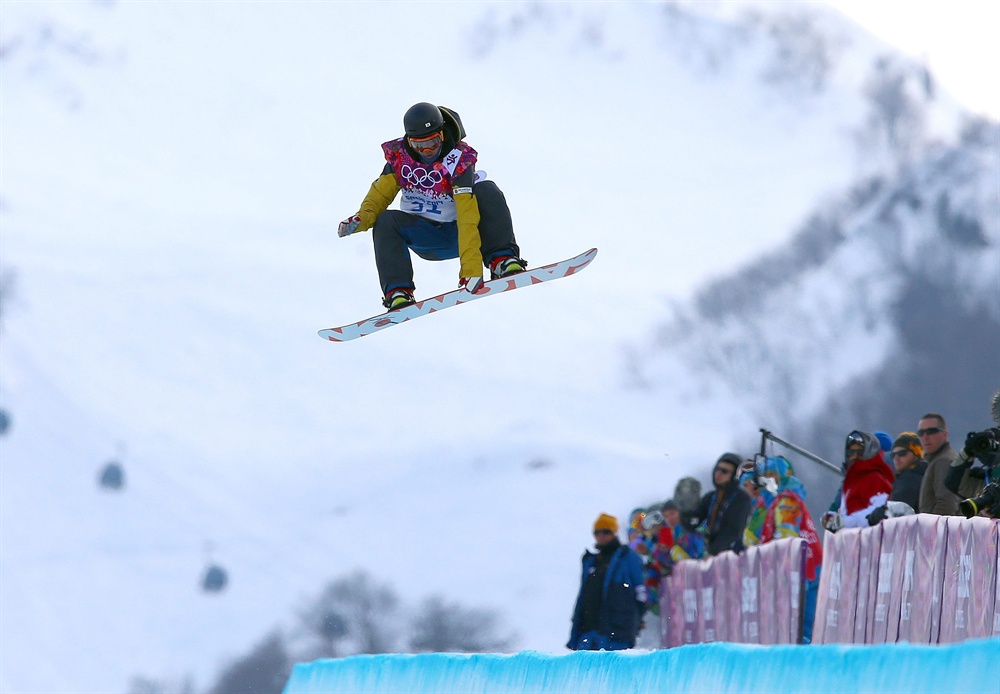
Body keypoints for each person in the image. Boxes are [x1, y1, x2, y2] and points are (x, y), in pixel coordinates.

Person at [337, 102, 526, 309]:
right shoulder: (400, 159)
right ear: (409, 141)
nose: (427, 151)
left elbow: (467, 217)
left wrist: (471, 270)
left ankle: (501, 259)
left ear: (442, 136)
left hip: (461, 233)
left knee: (487, 190)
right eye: (419, 146)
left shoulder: (458, 161)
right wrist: (361, 219)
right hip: (425, 235)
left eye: (433, 143)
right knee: (385, 220)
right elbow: (379, 195)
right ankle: (398, 291)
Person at [567, 513, 646, 651]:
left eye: (606, 531)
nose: (601, 536)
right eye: (597, 532)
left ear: (614, 533)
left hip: (616, 635)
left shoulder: (628, 558)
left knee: (613, 671)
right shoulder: (591, 562)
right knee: (585, 672)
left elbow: (643, 592)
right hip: (588, 634)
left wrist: (636, 618)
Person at [822, 431, 894, 532]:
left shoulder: (875, 478)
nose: (855, 456)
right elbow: (845, 511)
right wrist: (831, 518)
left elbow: (878, 513)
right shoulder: (852, 481)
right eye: (851, 452)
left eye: (860, 452)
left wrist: (844, 522)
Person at [695, 453, 753, 556]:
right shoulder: (710, 497)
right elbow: (695, 520)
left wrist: (713, 552)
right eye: (717, 469)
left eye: (724, 471)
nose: (718, 473)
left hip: (730, 556)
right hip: (711, 554)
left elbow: (733, 531)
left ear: (734, 475)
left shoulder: (741, 499)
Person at [916, 413, 960, 515]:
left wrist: (931, 529)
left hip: (941, 528)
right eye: (921, 433)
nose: (925, 437)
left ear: (945, 434)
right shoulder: (937, 460)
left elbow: (946, 505)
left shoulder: (944, 461)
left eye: (931, 431)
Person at [888, 432, 927, 512]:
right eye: (893, 455)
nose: (896, 458)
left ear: (916, 454)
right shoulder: (924, 474)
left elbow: (895, 512)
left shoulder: (910, 480)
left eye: (902, 453)